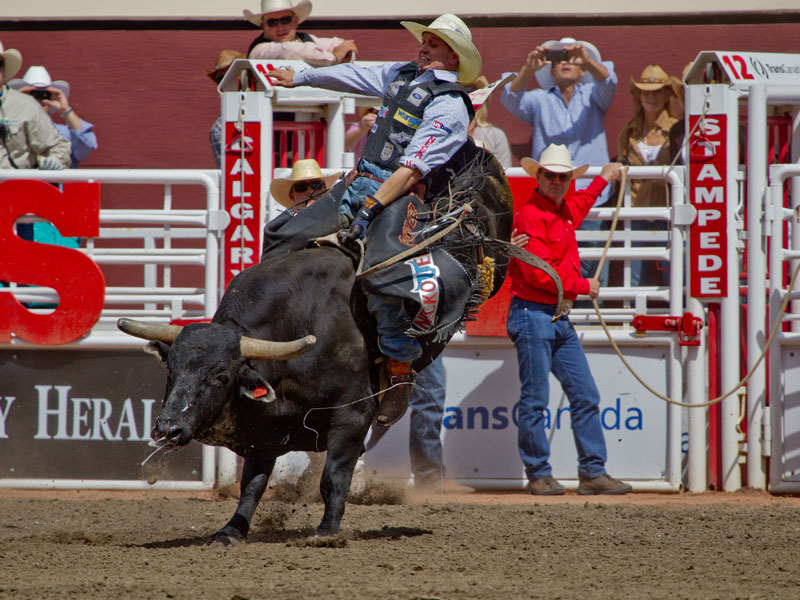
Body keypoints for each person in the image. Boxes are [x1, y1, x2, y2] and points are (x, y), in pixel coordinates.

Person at [267, 13, 482, 428]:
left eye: (434, 44)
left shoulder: (451, 103)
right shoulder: (398, 75)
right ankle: (272, 334)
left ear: (453, 58)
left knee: (383, 273)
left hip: (399, 194)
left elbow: (414, 168)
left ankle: (399, 371)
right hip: (357, 180)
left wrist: (371, 208)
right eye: (426, 40)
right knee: (281, 233)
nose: (423, 46)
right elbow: (353, 74)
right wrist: (302, 77)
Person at [507, 143, 632, 496]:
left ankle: (588, 471)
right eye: (552, 176)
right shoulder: (533, 216)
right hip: (536, 313)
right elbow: (538, 275)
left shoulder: (558, 211)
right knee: (540, 397)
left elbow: (579, 205)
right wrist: (583, 285)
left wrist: (603, 179)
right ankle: (547, 473)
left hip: (548, 315)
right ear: (540, 177)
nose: (558, 181)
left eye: (563, 176)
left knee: (582, 393)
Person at [501, 37, 617, 284]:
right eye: (559, 59)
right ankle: (560, 314)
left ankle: (585, 321)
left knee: (592, 268)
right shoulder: (539, 99)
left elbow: (608, 82)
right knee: (550, 266)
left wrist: (586, 58)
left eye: (572, 58)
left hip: (589, 197)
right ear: (550, 69)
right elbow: (510, 98)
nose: (566, 63)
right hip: (551, 203)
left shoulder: (594, 95)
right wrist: (528, 68)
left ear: (583, 68)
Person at [617, 65, 678, 288]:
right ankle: (634, 319)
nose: (650, 97)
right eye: (645, 91)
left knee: (673, 273)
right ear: (639, 96)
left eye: (656, 91)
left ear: (666, 95)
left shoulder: (676, 129)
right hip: (637, 210)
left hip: (669, 212)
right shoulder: (629, 130)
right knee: (635, 274)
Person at [8, 66, 97, 169]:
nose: (39, 100)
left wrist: (66, 110)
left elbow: (86, 146)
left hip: (54, 185)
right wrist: (13, 102)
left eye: (44, 94)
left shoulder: (62, 133)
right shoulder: (9, 128)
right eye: (33, 95)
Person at [0, 42, 71, 171]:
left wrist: (55, 159)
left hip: (14, 188)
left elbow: (58, 145)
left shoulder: (27, 106)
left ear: (4, 68)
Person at [244, 0, 358, 66]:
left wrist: (345, 53)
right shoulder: (259, 49)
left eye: (285, 20)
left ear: (295, 21)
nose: (280, 27)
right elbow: (289, 50)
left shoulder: (305, 38)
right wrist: (334, 57)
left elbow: (340, 44)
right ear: (263, 26)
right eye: (272, 22)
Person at [206, 50, 246, 169]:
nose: (226, 82)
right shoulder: (219, 128)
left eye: (230, 74)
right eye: (221, 79)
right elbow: (228, 172)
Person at [465, 76, 511, 168]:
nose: (469, 97)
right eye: (463, 91)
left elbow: (505, 175)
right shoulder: (443, 132)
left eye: (472, 91)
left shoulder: (495, 136)